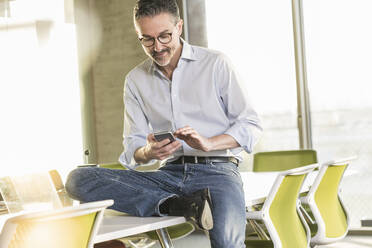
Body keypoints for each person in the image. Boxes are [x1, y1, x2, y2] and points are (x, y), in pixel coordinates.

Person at [65, 0, 262, 247]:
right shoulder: (136, 80)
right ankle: (176, 204)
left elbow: (251, 125)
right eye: (147, 39)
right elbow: (133, 149)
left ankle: (177, 202)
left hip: (218, 171)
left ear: (179, 27)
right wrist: (147, 152)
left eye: (164, 36)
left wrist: (209, 143)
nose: (157, 47)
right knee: (77, 179)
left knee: (227, 244)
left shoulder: (216, 64)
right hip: (167, 175)